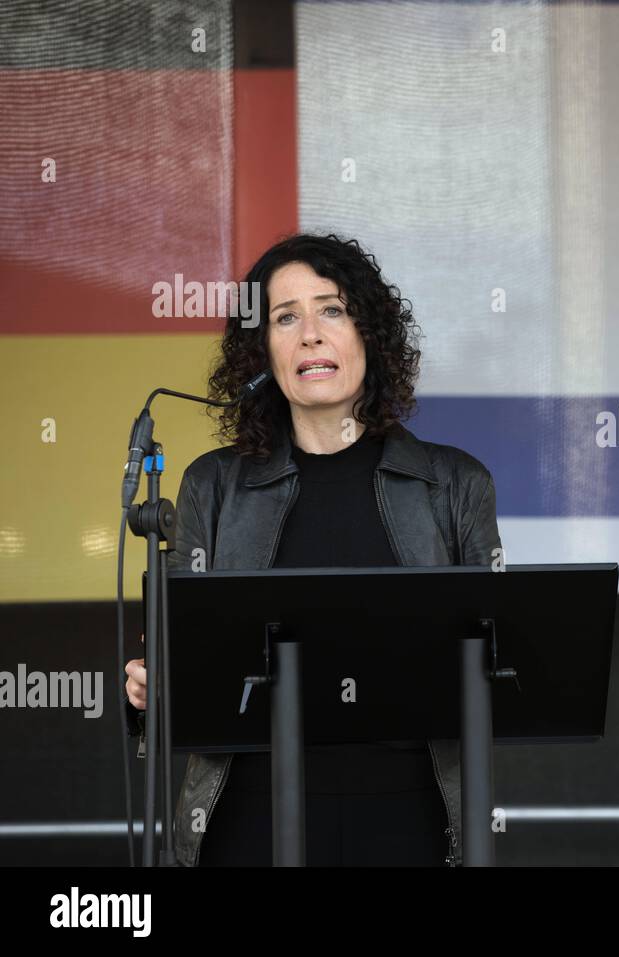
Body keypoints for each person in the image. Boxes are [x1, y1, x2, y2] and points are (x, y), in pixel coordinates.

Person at [122, 233, 502, 866]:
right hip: (248, 816)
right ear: (262, 351)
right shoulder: (211, 486)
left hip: (408, 814)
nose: (309, 335)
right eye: (284, 317)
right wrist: (150, 689)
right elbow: (180, 666)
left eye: (332, 309)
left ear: (369, 335)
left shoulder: (457, 485)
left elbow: (496, 668)